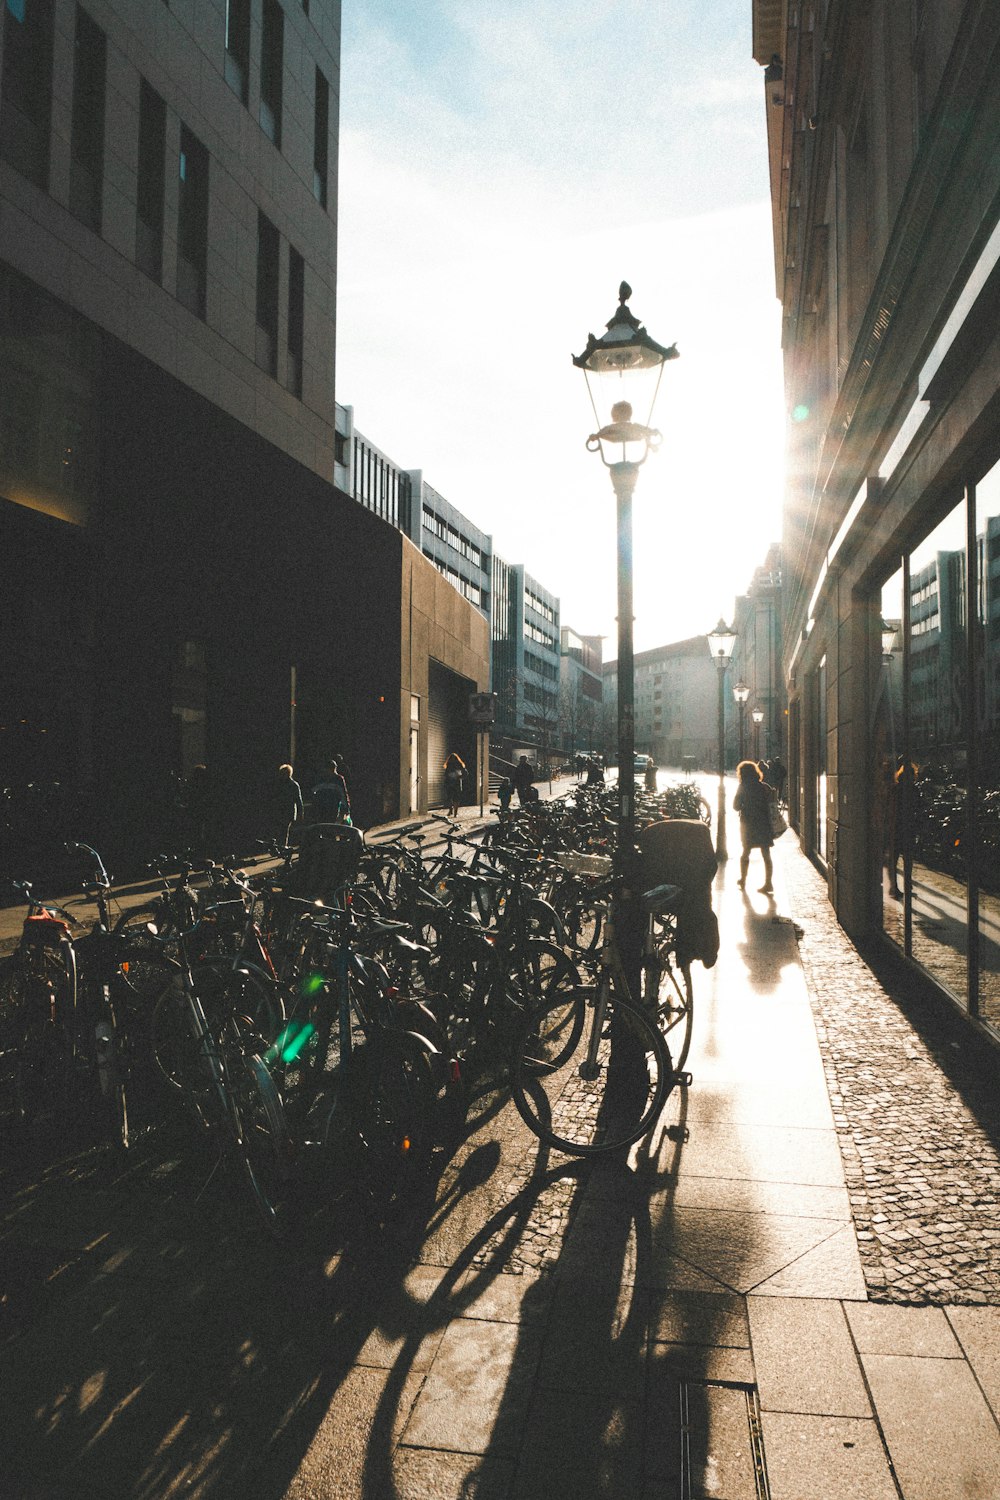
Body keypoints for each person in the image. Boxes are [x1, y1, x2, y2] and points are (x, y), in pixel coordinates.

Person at [733, 758, 775, 893]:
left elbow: (735, 806)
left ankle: (743, 879)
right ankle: (768, 883)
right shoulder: (763, 786)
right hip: (764, 823)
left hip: (748, 824)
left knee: (746, 852)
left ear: (742, 773)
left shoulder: (743, 787)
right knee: (766, 854)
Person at [311, 758, 351, 824]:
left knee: (322, 823)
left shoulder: (320, 778)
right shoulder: (338, 779)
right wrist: (346, 807)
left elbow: (313, 790)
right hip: (333, 805)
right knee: (331, 823)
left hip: (321, 804)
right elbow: (343, 793)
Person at [271, 763, 303, 845]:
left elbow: (298, 800)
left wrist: (300, 813)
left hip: (288, 811)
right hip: (280, 810)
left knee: (284, 830)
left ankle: (282, 845)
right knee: (279, 829)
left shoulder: (293, 785)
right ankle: (279, 845)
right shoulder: (280, 784)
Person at [444, 751, 466, 817]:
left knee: (450, 797)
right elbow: (465, 773)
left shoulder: (448, 765)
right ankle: (455, 813)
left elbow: (445, 774)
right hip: (457, 783)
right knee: (456, 799)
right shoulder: (460, 765)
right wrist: (459, 777)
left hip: (450, 783)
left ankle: (451, 811)